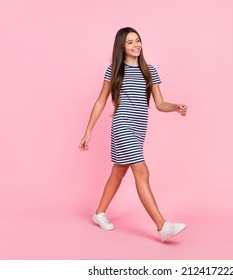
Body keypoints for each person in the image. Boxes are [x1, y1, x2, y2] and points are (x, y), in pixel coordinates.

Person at [79, 27, 187, 242]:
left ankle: (99, 213)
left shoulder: (150, 70)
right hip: (122, 127)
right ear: (122, 47)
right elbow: (101, 100)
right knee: (142, 171)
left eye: (137, 40)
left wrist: (175, 107)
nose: (136, 45)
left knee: (119, 172)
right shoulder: (114, 71)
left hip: (139, 130)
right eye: (130, 42)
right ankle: (162, 226)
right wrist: (88, 130)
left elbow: (159, 103)